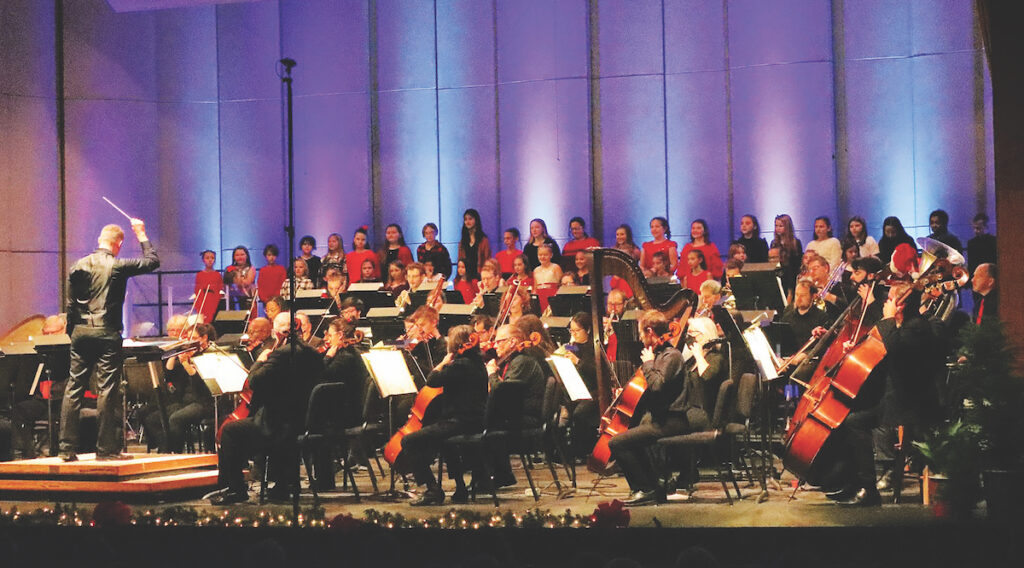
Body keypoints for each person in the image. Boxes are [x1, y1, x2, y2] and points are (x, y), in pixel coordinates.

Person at [825, 283, 940, 506]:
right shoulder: (905, 326)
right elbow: (884, 355)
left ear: (901, 305)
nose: (886, 303)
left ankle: (868, 488)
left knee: (855, 423)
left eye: (890, 300)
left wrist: (887, 320)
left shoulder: (917, 328)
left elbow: (896, 352)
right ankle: (853, 481)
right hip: (894, 397)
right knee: (850, 416)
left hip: (910, 404)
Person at [60, 218, 159, 462]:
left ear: (99, 241)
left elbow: (71, 304)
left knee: (74, 388)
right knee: (107, 390)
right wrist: (142, 233)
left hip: (81, 333)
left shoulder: (77, 265)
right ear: (119, 244)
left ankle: (66, 449)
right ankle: (105, 450)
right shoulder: (117, 265)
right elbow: (152, 262)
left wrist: (73, 331)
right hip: (106, 333)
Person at [207, 312, 323, 504]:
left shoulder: (281, 354)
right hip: (304, 421)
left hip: (280, 425)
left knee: (230, 430)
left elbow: (253, 381)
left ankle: (235, 489)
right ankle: (283, 484)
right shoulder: (311, 353)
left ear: (279, 332)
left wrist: (260, 360)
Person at [607, 311, 720, 506]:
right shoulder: (659, 355)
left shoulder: (671, 356)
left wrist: (648, 364)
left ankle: (645, 488)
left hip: (673, 421)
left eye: (642, 333)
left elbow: (658, 385)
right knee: (632, 439)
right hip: (661, 419)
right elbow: (650, 390)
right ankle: (652, 486)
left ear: (650, 331)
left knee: (617, 443)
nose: (641, 338)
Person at [400, 324, 487, 505]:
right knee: (443, 440)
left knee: (409, 440)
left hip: (460, 421)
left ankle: (432, 489)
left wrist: (443, 362)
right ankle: (460, 487)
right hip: (476, 420)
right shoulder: (479, 363)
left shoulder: (460, 365)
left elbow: (432, 381)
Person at [141, 323, 216, 453]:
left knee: (176, 419)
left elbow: (200, 384)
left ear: (204, 338)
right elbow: (169, 375)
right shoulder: (190, 354)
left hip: (203, 402)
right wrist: (176, 352)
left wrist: (186, 363)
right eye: (188, 338)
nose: (190, 342)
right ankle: (165, 448)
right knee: (152, 419)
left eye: (194, 338)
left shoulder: (209, 355)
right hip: (184, 400)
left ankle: (175, 453)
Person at [780, 281, 830, 349]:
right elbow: (778, 342)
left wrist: (805, 355)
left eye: (803, 295)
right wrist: (778, 356)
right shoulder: (787, 317)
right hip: (787, 357)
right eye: (797, 295)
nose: (799, 299)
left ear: (813, 296)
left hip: (810, 358)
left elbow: (823, 346)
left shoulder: (822, 317)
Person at [770, 214, 803, 297]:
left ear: (787, 227)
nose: (778, 228)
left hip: (791, 275)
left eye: (781, 226)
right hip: (778, 274)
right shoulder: (774, 243)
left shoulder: (795, 243)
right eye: (776, 225)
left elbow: (796, 263)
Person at [458, 209, 491, 281]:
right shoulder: (462, 241)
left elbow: (487, 259)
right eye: (465, 219)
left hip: (479, 275)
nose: (467, 222)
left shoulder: (484, 240)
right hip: (465, 276)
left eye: (470, 219)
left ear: (476, 220)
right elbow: (460, 259)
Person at [194, 250, 223, 325]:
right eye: (207, 258)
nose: (210, 260)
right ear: (203, 260)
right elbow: (197, 290)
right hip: (203, 300)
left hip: (214, 300)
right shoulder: (199, 275)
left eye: (212, 258)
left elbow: (220, 290)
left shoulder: (217, 275)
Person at [224, 245, 255, 310]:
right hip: (231, 300)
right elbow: (225, 283)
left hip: (247, 300)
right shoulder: (229, 268)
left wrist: (237, 276)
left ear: (247, 256)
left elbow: (247, 282)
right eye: (237, 255)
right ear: (234, 257)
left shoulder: (250, 268)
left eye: (242, 254)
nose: (240, 257)